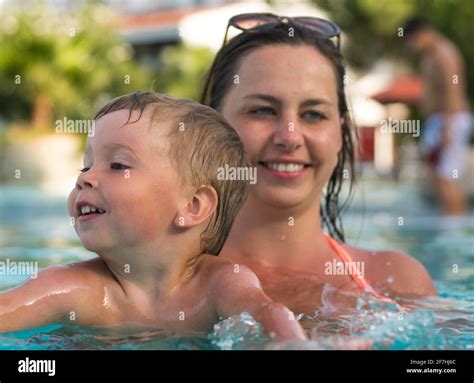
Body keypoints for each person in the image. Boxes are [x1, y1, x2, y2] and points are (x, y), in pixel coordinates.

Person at [0, 91, 306, 341]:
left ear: (193, 206)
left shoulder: (220, 284)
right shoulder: (69, 287)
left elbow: (272, 317)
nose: (85, 178)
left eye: (118, 165)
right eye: (86, 166)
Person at [201, 13, 436, 316]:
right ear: (214, 127)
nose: (289, 137)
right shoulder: (161, 282)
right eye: (262, 110)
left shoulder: (399, 282)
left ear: (339, 134)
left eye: (313, 114)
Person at [404, 16, 472, 215]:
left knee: (446, 177)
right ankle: (449, 221)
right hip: (439, 121)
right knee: (437, 177)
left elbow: (454, 90)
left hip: (450, 120)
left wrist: (448, 128)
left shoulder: (444, 53)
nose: (411, 46)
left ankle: (456, 229)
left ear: (422, 33)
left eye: (411, 40)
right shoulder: (430, 56)